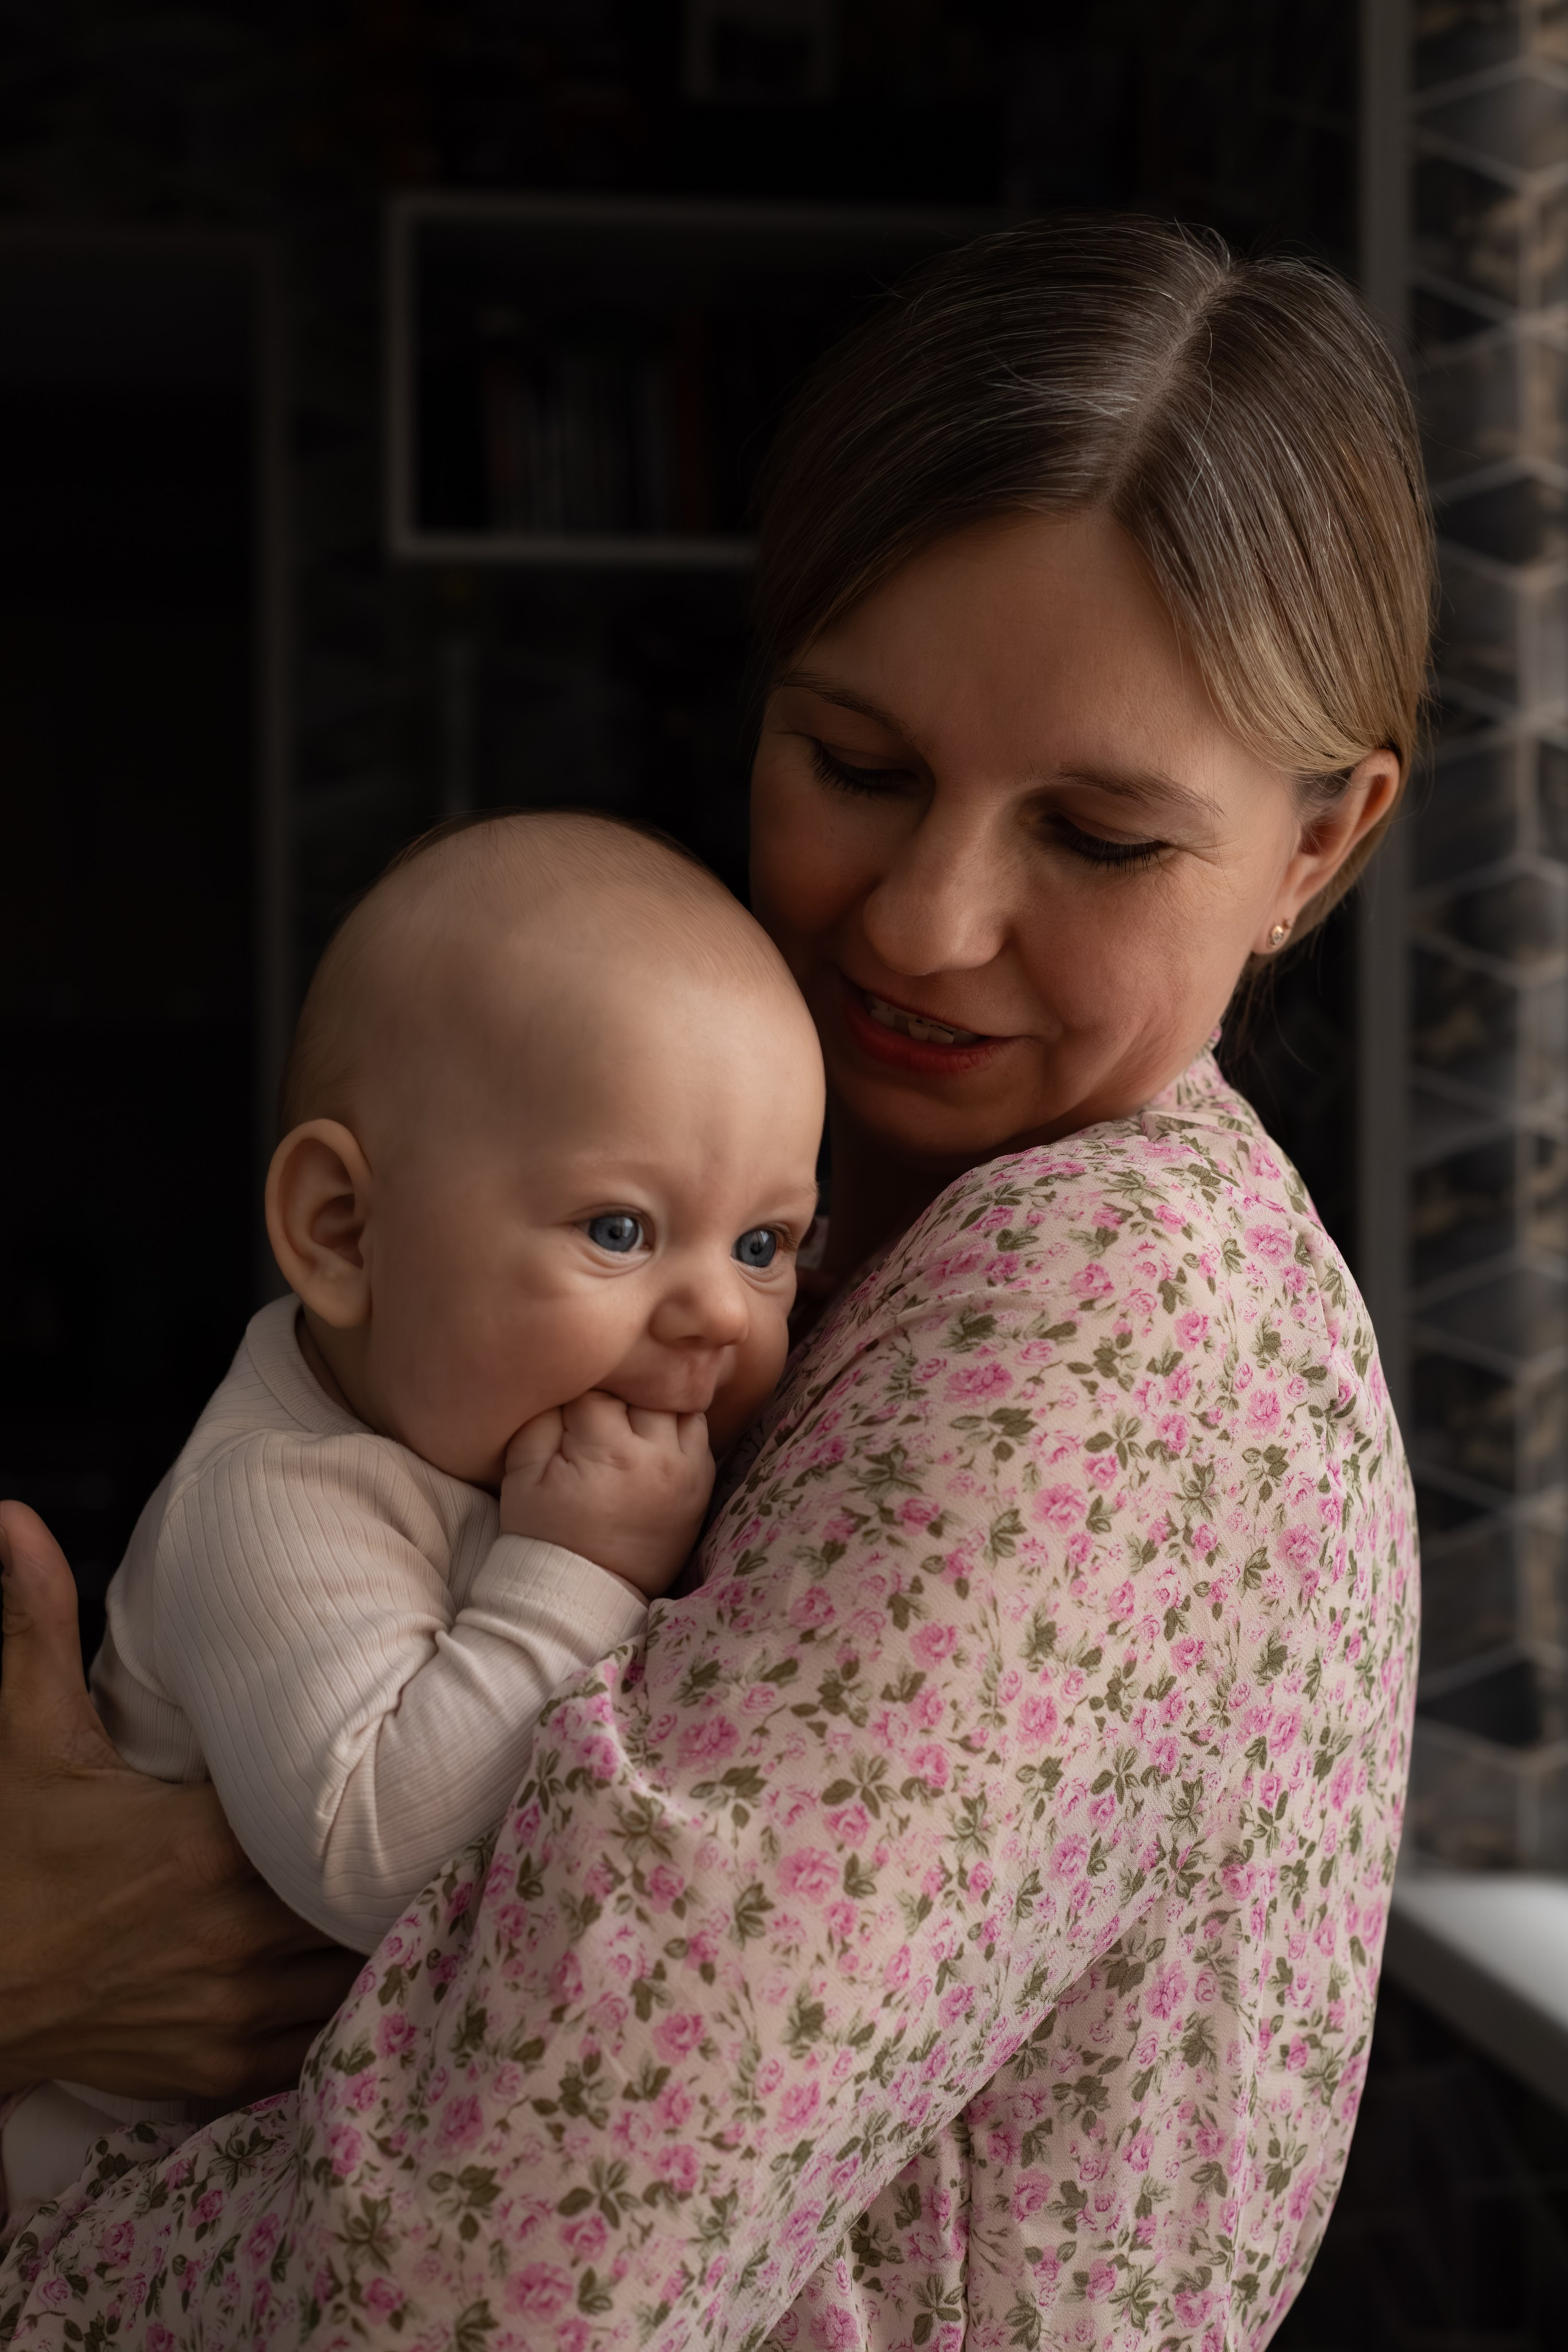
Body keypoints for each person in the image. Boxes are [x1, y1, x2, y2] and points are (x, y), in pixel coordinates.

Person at [0, 216, 1428, 2351]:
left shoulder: (1108, 1327)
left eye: (1100, 839)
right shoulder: (859, 1208)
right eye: (856, 764)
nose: (928, 926)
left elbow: (506, 2271)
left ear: (1320, 846)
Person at [1, 813, 825, 2225]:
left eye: (763, 1246)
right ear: (341, 1233)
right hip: (109, 2226)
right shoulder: (270, 1505)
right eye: (619, 1229)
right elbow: (376, 1862)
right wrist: (576, 1570)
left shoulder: (473, 1436)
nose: (712, 1314)